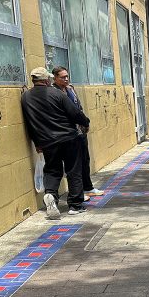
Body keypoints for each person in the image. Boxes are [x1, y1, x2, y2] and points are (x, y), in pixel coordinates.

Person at [21, 67, 90, 219]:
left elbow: (29, 123)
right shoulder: (56, 93)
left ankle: (51, 195)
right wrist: (85, 122)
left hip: (46, 141)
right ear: (47, 80)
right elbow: (74, 113)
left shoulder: (26, 97)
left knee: (52, 170)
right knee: (73, 170)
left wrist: (37, 142)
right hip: (68, 138)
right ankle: (75, 205)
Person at [52, 67, 104, 202]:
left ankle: (88, 187)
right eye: (62, 77)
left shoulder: (70, 89)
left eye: (67, 76)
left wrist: (84, 123)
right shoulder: (54, 92)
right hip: (68, 133)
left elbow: (78, 108)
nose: (66, 79)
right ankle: (78, 192)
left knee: (85, 159)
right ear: (55, 78)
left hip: (80, 131)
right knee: (74, 166)